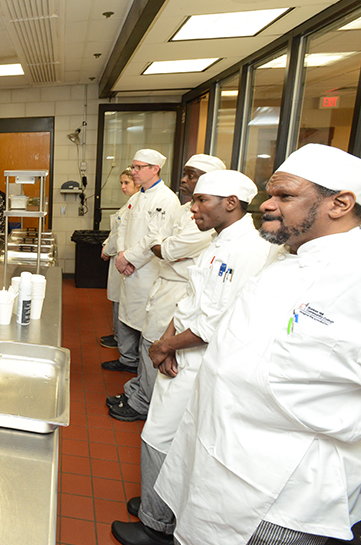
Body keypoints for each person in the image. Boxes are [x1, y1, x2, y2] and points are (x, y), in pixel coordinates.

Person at [155, 144, 361, 545]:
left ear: (340, 203)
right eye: (271, 195)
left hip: (279, 491)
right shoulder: (285, 257)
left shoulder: (352, 276)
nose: (267, 206)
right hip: (220, 458)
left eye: (285, 196)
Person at [111, 169, 272, 545]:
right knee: (166, 435)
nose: (193, 207)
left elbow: (219, 319)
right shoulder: (217, 242)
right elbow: (190, 304)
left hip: (197, 361)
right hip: (181, 353)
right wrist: (167, 340)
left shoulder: (246, 249)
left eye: (202, 201)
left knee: (160, 436)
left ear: (230, 204)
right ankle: (158, 505)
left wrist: (166, 345)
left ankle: (155, 525)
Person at [108, 155, 224, 422]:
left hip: (175, 287)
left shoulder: (183, 208)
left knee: (155, 344)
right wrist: (154, 249)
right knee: (147, 341)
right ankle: (138, 393)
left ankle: (143, 403)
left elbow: (168, 248)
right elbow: (157, 240)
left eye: (191, 175)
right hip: (160, 279)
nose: (184, 180)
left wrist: (163, 248)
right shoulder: (182, 210)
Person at [106, 149, 179, 375]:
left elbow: (155, 237)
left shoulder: (167, 199)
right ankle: (127, 359)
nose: (134, 172)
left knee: (143, 321)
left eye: (138, 168)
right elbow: (122, 228)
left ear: (154, 169)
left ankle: (138, 366)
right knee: (126, 314)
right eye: (133, 167)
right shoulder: (136, 198)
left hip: (148, 271)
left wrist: (129, 258)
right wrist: (121, 254)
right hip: (128, 267)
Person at [100, 170, 139, 350]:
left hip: (124, 258)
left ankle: (121, 341)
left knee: (121, 301)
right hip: (118, 255)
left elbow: (120, 234)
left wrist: (108, 249)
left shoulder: (137, 204)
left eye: (126, 183)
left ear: (137, 183)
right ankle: (118, 336)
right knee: (117, 299)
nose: (123, 187)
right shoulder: (130, 204)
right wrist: (107, 244)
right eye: (121, 183)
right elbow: (116, 232)